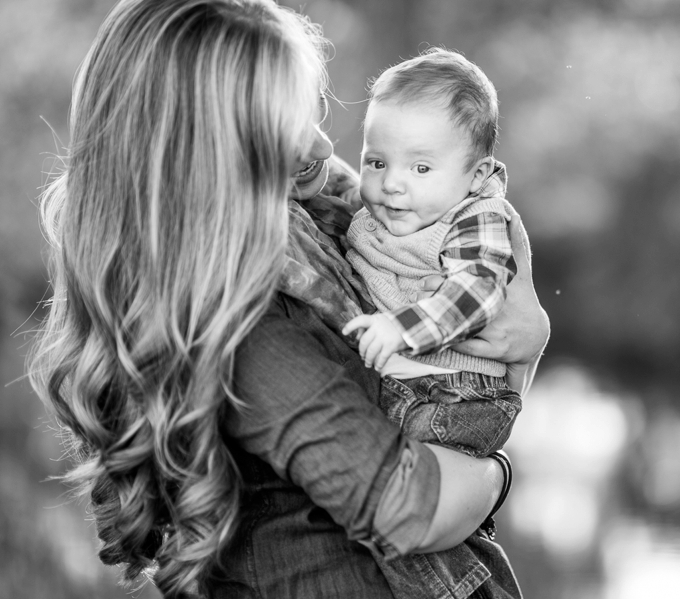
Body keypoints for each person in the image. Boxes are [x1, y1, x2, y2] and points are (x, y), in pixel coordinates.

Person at [27, 1, 549, 599]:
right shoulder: (249, 320)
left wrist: (520, 347)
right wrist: (498, 473)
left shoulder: (317, 236)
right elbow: (410, 508)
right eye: (290, 123)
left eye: (316, 110)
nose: (325, 144)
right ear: (217, 151)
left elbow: (458, 387)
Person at [322, 49, 536, 599]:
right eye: (377, 161)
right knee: (402, 523)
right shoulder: (388, 210)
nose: (392, 183)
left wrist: (402, 330)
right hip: (416, 382)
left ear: (478, 174)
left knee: (397, 511)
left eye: (420, 167)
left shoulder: (476, 217)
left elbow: (477, 291)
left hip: (455, 394)